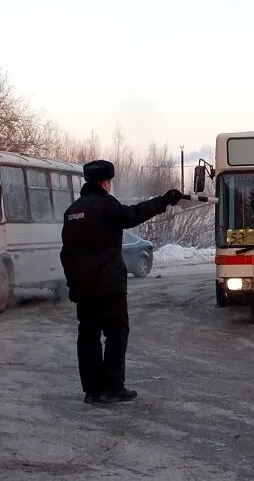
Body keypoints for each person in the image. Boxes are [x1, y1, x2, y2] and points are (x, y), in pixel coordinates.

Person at [60, 160, 182, 404]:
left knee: (88, 337)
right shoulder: (106, 205)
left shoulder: (72, 211)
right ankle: (114, 387)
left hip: (84, 288)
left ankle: (92, 391)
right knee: (116, 333)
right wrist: (163, 201)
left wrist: (73, 285)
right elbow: (132, 215)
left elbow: (66, 253)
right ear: (105, 182)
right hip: (108, 285)